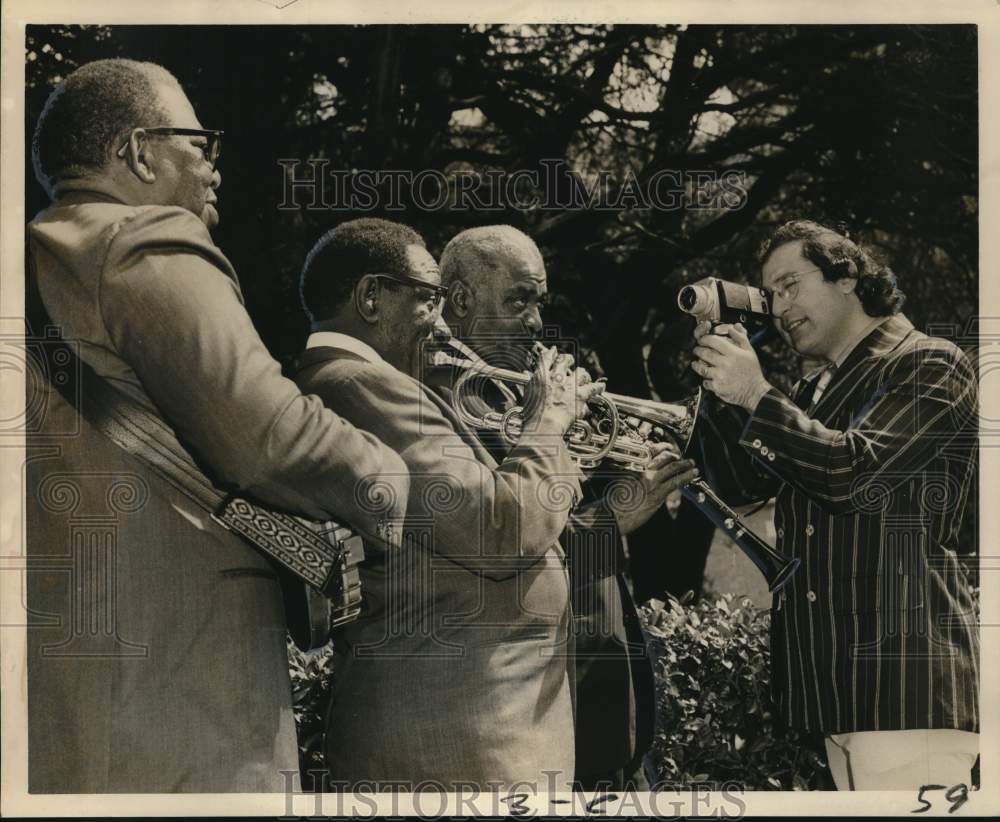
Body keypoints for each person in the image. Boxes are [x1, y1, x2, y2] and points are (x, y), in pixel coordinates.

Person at [25, 59, 409, 793]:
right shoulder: (144, 243)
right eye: (199, 145)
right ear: (140, 152)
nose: (213, 168)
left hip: (61, 699)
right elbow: (270, 437)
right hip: (180, 700)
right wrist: (393, 478)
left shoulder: (37, 257)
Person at [293, 218, 601, 791]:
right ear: (370, 297)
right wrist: (550, 419)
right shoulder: (363, 385)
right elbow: (501, 530)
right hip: (459, 743)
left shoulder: (353, 383)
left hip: (465, 737)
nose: (441, 323)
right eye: (429, 300)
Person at [690, 219, 979, 790]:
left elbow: (853, 474)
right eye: (769, 295)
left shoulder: (928, 362)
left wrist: (754, 393)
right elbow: (745, 485)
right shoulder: (811, 394)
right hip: (839, 690)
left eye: (791, 284)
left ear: (847, 276)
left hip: (905, 688)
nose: (778, 307)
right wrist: (717, 386)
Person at [435, 225, 699, 790]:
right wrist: (612, 520)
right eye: (518, 300)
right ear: (459, 301)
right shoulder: (442, 403)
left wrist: (587, 436)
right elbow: (492, 541)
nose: (536, 321)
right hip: (542, 712)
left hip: (599, 698)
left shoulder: (518, 392)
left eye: (539, 301)